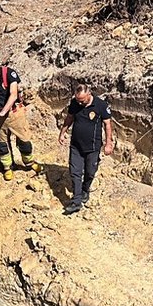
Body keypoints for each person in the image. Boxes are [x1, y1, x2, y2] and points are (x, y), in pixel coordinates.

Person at [58, 85, 113, 214]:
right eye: (77, 100)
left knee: (90, 171)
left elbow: (107, 124)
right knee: (75, 172)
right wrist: (62, 132)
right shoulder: (75, 103)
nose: (79, 103)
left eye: (82, 100)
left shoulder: (101, 105)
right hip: (76, 145)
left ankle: (85, 190)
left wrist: (108, 143)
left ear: (89, 94)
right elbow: (69, 118)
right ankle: (76, 201)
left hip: (93, 147)